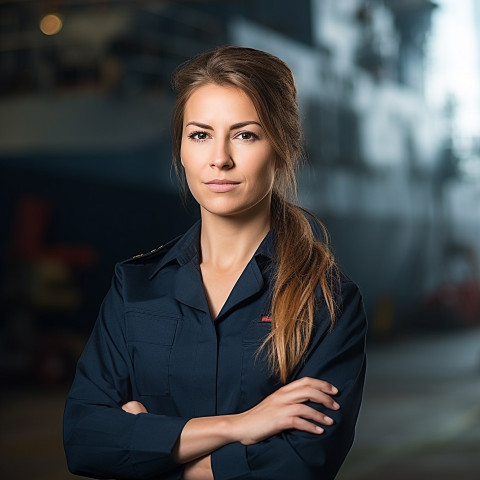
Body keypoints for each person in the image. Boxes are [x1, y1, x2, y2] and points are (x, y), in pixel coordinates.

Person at [63, 45, 367, 480]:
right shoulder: (136, 287)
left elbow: (301, 463)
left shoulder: (327, 301)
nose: (219, 158)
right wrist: (240, 426)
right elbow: (85, 438)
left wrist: (153, 452)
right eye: (200, 134)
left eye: (245, 134)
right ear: (181, 150)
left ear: (281, 147)